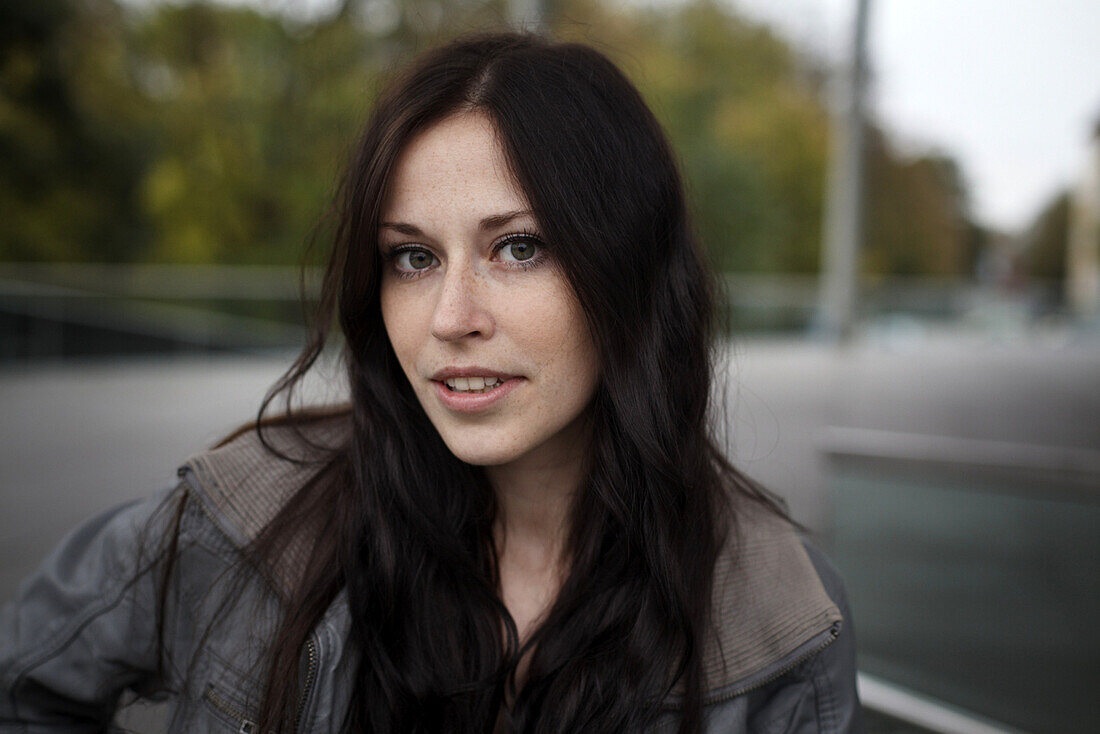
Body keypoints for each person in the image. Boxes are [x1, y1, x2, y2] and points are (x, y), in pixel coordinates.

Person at [0, 32, 861, 733]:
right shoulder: (244, 520)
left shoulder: (780, 621)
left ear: (628, 271)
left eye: (518, 246)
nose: (451, 316)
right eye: (413, 257)